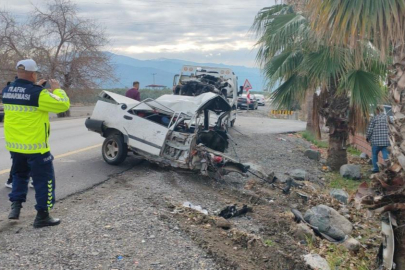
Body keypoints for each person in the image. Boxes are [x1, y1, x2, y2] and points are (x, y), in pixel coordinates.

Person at [2, 59, 70, 228]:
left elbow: (24, 97)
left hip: (15, 145)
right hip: (36, 147)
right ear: (33, 74)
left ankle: (15, 209)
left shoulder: (7, 90)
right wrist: (58, 90)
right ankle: (42, 216)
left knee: (19, 175)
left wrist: (37, 87)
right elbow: (62, 106)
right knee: (44, 180)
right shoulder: (39, 94)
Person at [366, 106, 390, 173]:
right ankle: (388, 168)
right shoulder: (387, 118)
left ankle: (375, 169)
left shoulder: (374, 118)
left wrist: (367, 137)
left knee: (374, 155)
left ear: (377, 111)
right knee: (386, 156)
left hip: (376, 142)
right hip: (386, 141)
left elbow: (370, 130)